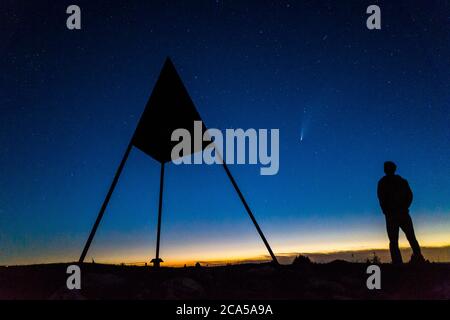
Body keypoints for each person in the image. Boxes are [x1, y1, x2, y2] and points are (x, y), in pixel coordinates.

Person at [377, 161, 425, 264]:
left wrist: (387, 211)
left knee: (398, 240)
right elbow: (409, 196)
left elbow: (381, 198)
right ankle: (415, 258)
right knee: (409, 237)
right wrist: (403, 207)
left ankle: (399, 262)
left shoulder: (386, 182)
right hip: (400, 213)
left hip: (396, 214)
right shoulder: (400, 181)